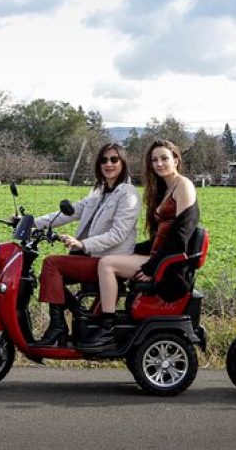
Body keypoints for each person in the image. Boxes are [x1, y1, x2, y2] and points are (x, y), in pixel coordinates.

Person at [80, 139, 200, 350]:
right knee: (112, 256)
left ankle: (106, 327)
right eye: (154, 160)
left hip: (171, 265)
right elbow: (158, 239)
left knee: (107, 264)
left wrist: (152, 267)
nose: (159, 164)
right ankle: (92, 317)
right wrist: (133, 250)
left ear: (176, 160)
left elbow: (181, 235)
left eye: (164, 158)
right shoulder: (165, 187)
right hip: (159, 255)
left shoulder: (184, 186)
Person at [32, 143, 140, 346]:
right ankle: (79, 316)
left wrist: (82, 244)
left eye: (114, 159)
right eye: (103, 160)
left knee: (52, 265)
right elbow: (70, 211)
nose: (108, 164)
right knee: (47, 275)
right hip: (90, 256)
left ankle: (58, 327)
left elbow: (118, 234)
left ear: (123, 163)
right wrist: (29, 221)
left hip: (107, 260)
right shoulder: (99, 191)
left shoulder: (128, 194)